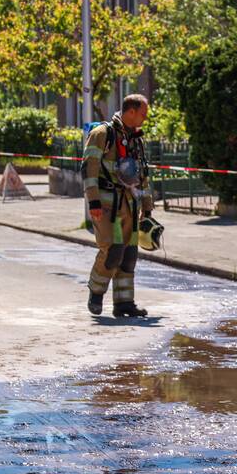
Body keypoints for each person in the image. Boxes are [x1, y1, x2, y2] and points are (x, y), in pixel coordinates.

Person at [84, 94, 154, 317]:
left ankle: (124, 303)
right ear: (131, 111)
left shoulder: (136, 139)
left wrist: (147, 207)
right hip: (106, 205)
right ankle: (96, 292)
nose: (145, 118)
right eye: (143, 113)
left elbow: (142, 175)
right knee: (113, 250)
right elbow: (89, 168)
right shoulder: (102, 134)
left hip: (130, 205)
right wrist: (93, 200)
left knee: (129, 254)